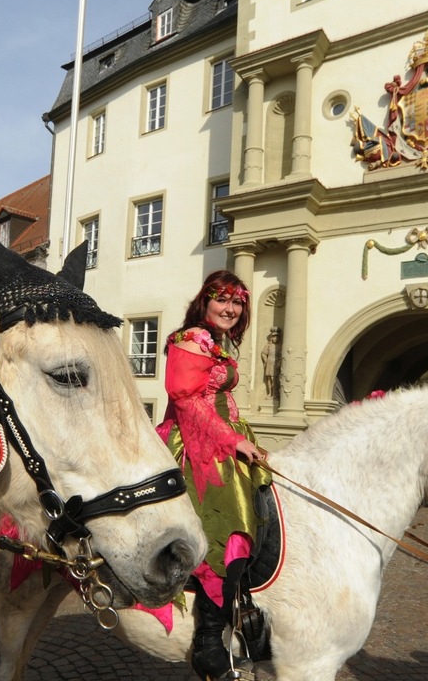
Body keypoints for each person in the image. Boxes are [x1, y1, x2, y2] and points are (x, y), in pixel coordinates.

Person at [157, 270, 270, 681]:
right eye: (221, 299)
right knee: (228, 523)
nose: (230, 308)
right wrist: (230, 441)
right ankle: (207, 638)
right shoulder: (190, 340)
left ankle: (245, 606)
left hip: (224, 436)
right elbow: (185, 399)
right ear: (204, 303)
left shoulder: (214, 343)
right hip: (195, 442)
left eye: (237, 302)